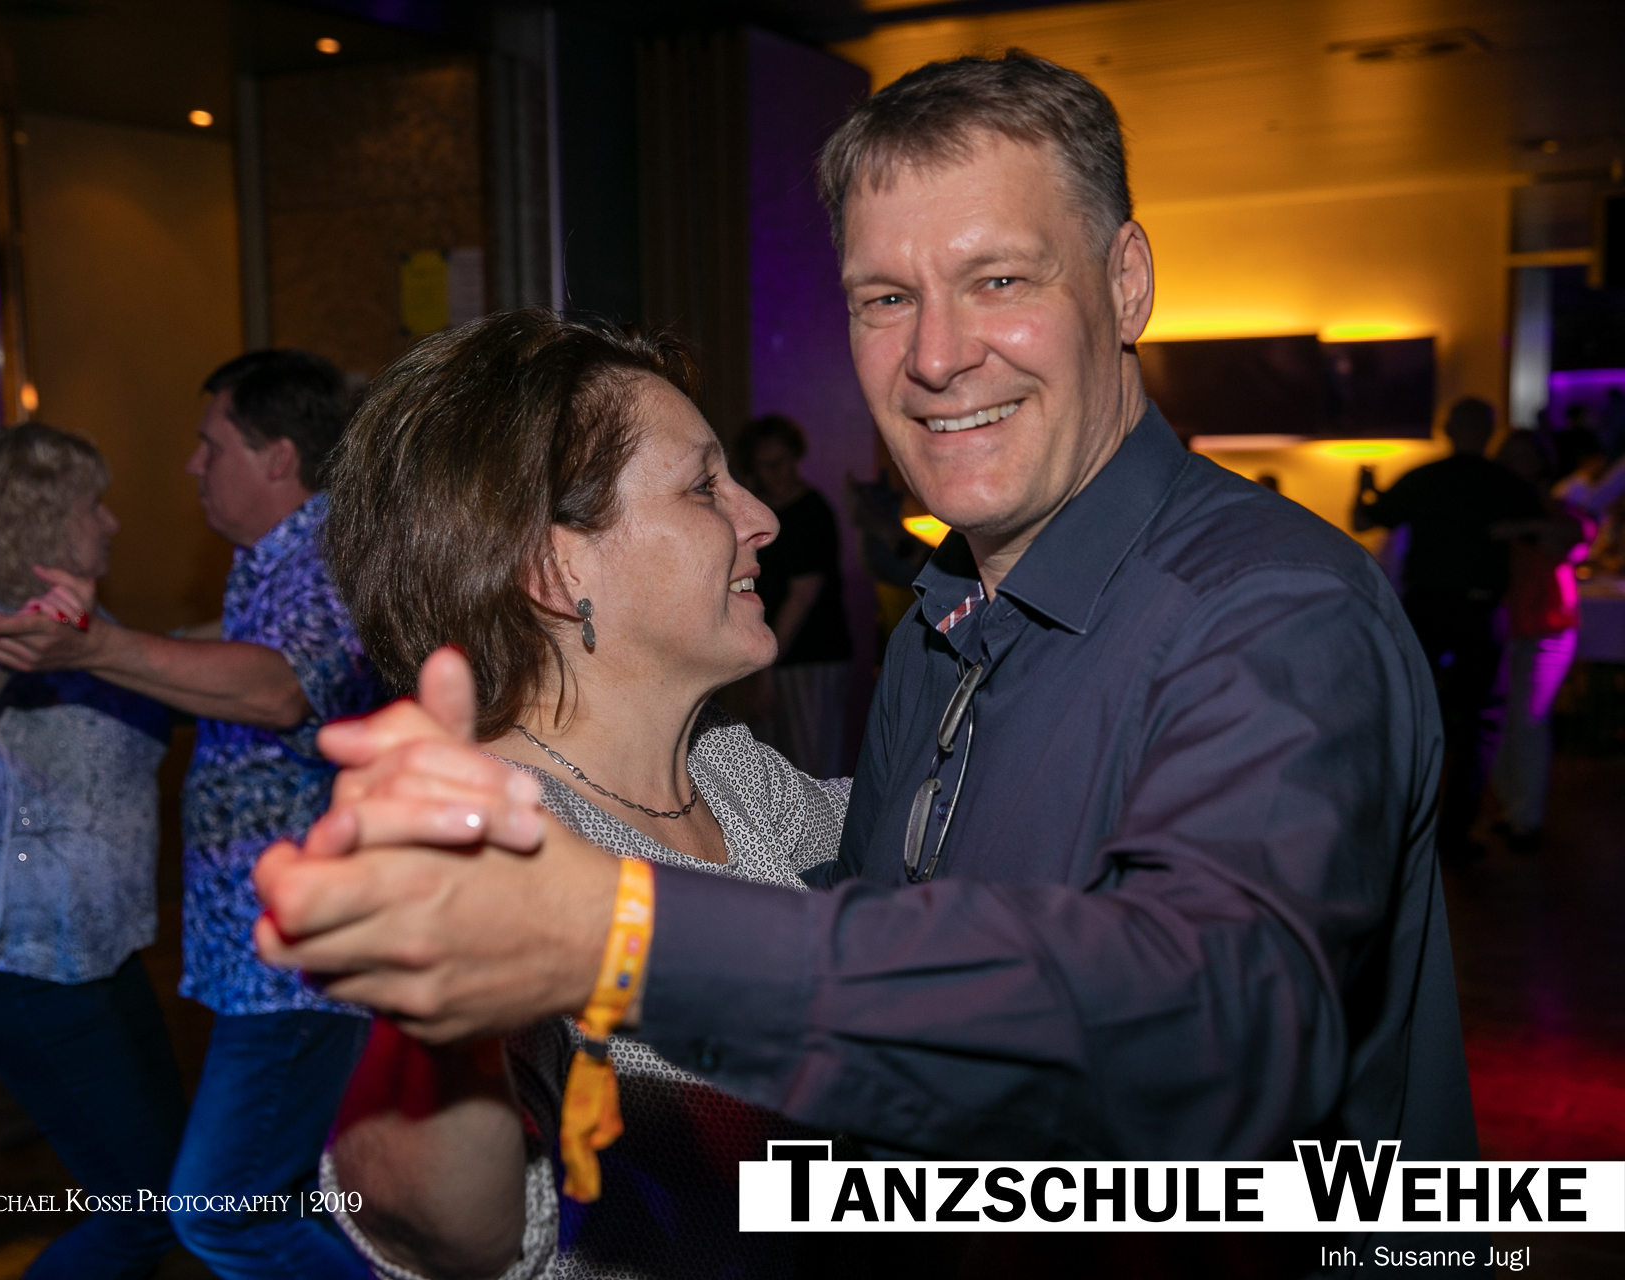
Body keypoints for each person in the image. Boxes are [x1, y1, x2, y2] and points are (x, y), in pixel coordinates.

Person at [253, 47, 1477, 1265]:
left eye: (999, 278)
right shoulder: (944, 626)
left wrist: (617, 936)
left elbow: (1221, 1024)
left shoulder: (1267, 608)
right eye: (885, 298)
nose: (936, 355)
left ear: (1127, 282)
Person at [306, 311, 849, 1279]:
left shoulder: (730, 771)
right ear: (555, 571)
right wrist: (449, 1029)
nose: (760, 517)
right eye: (704, 487)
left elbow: (948, 848)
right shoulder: (511, 837)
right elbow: (428, 1223)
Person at [0, 351, 386, 1280]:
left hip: (304, 962)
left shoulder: (330, 555)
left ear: (277, 456)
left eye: (210, 443)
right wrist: (85, 647)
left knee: (219, 1215)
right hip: (260, 957)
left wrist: (95, 648)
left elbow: (279, 689)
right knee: (284, 1205)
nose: (191, 464)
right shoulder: (269, 563)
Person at [0, 423, 187, 1278]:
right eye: (92, 504)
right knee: (143, 1218)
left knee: (173, 1193)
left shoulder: (90, 628)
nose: (111, 522)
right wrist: (2, 656)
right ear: (38, 518)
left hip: (100, 954)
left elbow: (175, 665)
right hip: (18, 964)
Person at [1355, 397, 1542, 861]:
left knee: (1412, 718)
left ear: (1447, 428)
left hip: (1427, 609)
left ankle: (1401, 830)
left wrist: (1364, 488)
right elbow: (1549, 531)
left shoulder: (1426, 477)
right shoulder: (1504, 483)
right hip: (1479, 611)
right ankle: (1454, 833)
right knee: (1476, 724)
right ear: (1491, 430)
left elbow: (1364, 520)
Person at [732, 414, 856, 777]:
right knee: (767, 769)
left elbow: (802, 597)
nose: (774, 474)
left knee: (810, 769)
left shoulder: (811, 512)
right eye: (764, 465)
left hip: (811, 655)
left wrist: (766, 666)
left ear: (795, 457)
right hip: (769, 654)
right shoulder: (757, 512)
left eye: (780, 462)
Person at [1488, 432, 1588, 853]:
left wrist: (1524, 527)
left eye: (1525, 457)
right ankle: (1513, 809)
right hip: (1503, 627)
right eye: (1511, 456)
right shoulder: (1493, 507)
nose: (1518, 465)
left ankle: (1525, 817)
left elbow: (1574, 538)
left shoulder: (1554, 508)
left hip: (1547, 625)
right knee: (1501, 721)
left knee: (1527, 719)